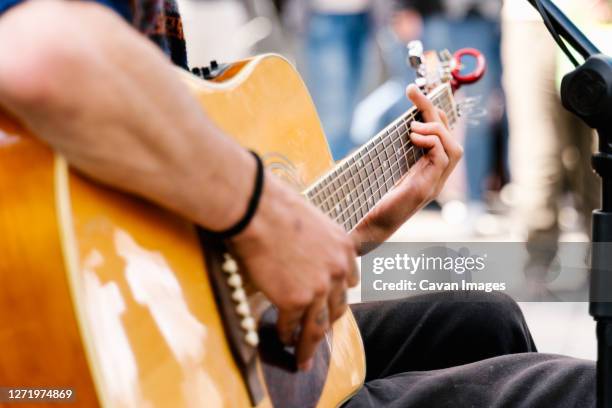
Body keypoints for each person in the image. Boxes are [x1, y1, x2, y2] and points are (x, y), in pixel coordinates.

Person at [0, 0, 595, 406]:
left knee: (483, 318)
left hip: (173, 334)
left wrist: (356, 229)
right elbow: (33, 55)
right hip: (120, 367)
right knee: (574, 391)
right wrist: (261, 210)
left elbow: (175, 223)